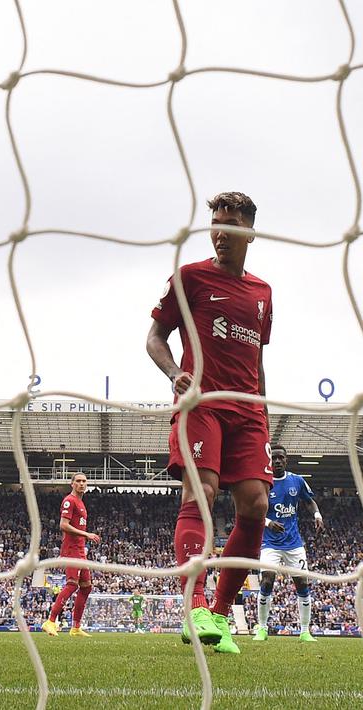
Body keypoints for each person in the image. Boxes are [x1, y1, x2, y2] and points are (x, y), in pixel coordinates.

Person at [146, 191, 274, 655]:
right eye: (215, 223)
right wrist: (173, 373)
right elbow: (156, 337)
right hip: (202, 402)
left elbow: (257, 359)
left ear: (250, 232)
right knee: (202, 492)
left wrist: (264, 412)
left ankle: (219, 614)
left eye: (230, 223)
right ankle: (194, 604)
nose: (220, 232)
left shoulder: (263, 293)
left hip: (248, 410)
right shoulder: (191, 278)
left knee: (256, 505)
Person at [253, 444, 324, 642]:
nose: (277, 461)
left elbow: (309, 501)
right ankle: (262, 628)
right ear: (269, 460)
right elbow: (253, 509)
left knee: (302, 583)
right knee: (266, 580)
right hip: (270, 543)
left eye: (280, 458)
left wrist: (317, 514)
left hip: (294, 544)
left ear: (286, 460)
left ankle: (304, 631)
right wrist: (268, 522)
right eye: (273, 458)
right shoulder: (263, 483)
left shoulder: (297, 481)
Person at [41, 473, 99, 637]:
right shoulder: (69, 501)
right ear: (72, 484)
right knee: (72, 584)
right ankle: (51, 621)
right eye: (78, 481)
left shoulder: (81, 502)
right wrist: (86, 534)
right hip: (72, 549)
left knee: (86, 587)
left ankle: (75, 627)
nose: (82, 483)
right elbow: (63, 525)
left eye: (84, 481)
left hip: (80, 550)